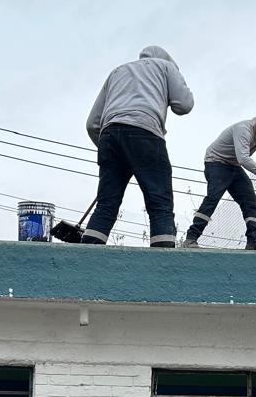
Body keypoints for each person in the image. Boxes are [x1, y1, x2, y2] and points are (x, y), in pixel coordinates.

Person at [83, 46, 195, 247]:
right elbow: (184, 105)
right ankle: (163, 264)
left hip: (109, 135)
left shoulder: (117, 72)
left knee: (106, 204)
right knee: (160, 203)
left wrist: (107, 149)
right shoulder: (165, 67)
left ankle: (87, 256)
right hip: (145, 132)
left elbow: (92, 123)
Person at [182, 111, 256, 250]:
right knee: (213, 198)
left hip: (234, 165)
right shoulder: (244, 129)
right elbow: (243, 159)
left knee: (250, 201)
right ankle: (191, 238)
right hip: (216, 161)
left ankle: (254, 240)